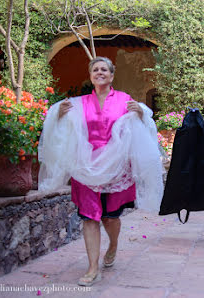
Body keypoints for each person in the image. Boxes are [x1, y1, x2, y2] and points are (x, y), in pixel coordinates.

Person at [54, 57, 150, 286]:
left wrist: (140, 112)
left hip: (116, 167)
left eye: (103, 69)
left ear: (111, 75)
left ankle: (113, 244)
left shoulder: (125, 100)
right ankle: (92, 267)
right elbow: (61, 127)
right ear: (90, 75)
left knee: (110, 217)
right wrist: (59, 113)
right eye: (95, 69)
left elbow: (142, 125)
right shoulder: (78, 103)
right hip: (86, 167)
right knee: (89, 217)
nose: (99, 72)